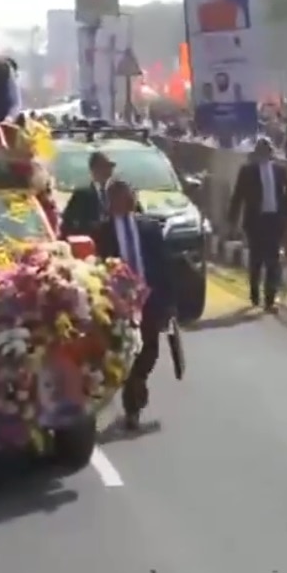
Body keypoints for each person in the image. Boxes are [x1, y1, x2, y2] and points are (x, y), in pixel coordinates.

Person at [92, 180, 175, 430]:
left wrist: (170, 302)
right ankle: (132, 407)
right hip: (120, 306)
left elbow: (164, 265)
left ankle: (137, 385)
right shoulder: (101, 232)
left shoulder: (149, 228)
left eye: (129, 195)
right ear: (110, 202)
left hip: (150, 300)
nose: (127, 201)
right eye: (119, 197)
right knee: (127, 353)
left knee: (149, 353)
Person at [227, 138, 287, 310]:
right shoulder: (247, 171)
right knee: (256, 259)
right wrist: (232, 219)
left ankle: (270, 300)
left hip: (274, 220)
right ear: (257, 152)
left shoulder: (280, 171)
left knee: (273, 260)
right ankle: (254, 292)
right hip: (255, 222)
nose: (265, 152)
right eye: (262, 149)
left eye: (268, 149)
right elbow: (238, 196)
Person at [59, 150, 115, 238]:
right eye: (104, 166)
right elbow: (68, 223)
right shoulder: (81, 195)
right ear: (93, 169)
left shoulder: (121, 192)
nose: (108, 170)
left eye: (111, 166)